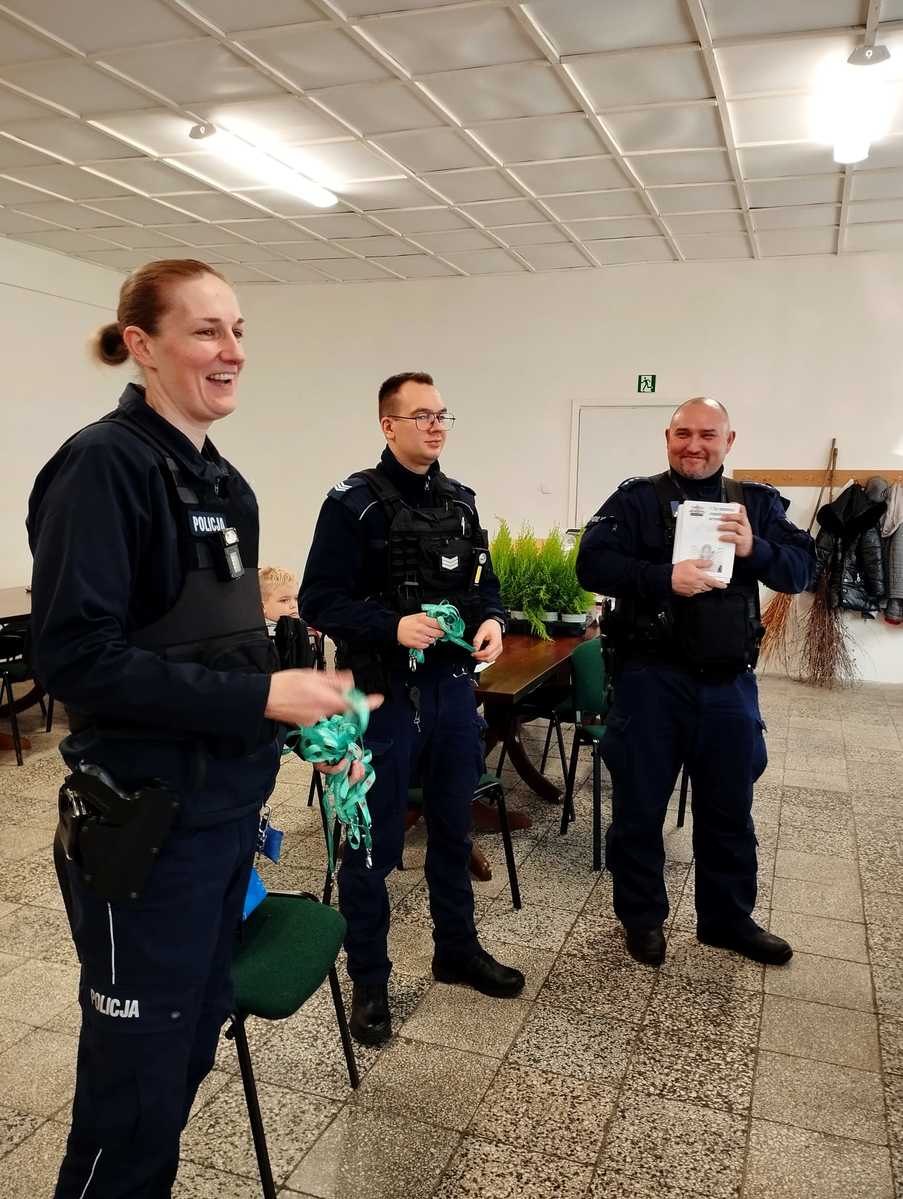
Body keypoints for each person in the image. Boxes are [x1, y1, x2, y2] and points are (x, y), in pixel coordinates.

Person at [28, 259, 373, 1199]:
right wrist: (260, 699)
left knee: (187, 1051)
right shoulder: (104, 466)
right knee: (132, 1097)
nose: (232, 351)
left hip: (223, 824)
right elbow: (76, 659)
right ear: (142, 345)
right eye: (206, 330)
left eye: (239, 330)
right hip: (141, 834)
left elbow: (213, 652)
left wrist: (302, 707)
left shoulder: (226, 483)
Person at [300, 371, 525, 1045]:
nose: (434, 425)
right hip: (381, 698)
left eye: (442, 414)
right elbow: (318, 600)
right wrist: (389, 625)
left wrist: (494, 621)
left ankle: (456, 949)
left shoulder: (461, 502)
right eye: (420, 414)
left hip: (452, 692)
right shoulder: (352, 505)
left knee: (453, 830)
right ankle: (369, 979)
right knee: (370, 844)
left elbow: (484, 586)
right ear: (388, 425)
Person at [577, 396, 816, 968]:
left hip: (728, 685)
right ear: (668, 438)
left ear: (728, 442)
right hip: (650, 681)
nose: (694, 445)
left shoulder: (755, 503)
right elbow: (591, 564)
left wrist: (754, 547)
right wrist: (663, 578)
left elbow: (803, 570)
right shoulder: (635, 500)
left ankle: (727, 920)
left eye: (708, 434)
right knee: (639, 810)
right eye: (683, 433)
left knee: (729, 809)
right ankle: (642, 920)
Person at [259, 564, 300, 630]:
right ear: (262, 607)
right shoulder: (260, 633)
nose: (293, 605)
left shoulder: (304, 628)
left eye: (296, 599)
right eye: (284, 600)